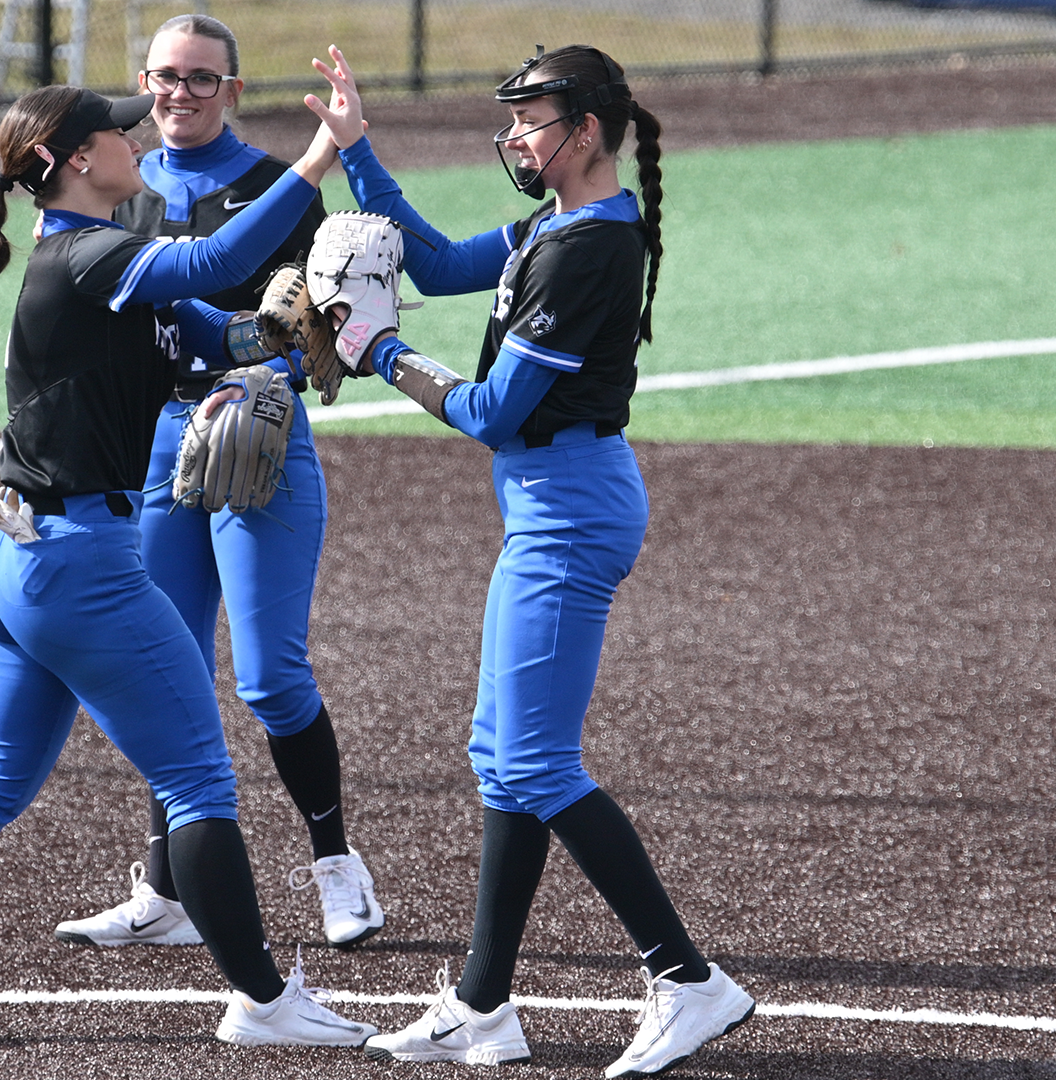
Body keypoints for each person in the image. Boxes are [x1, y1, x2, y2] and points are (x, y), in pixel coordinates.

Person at [0, 83, 376, 1050]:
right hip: (81, 567)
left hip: (8, 558)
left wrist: (276, 331)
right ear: (79, 162)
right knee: (199, 787)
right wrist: (317, 158)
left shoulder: (92, 266)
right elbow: (214, 257)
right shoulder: (92, 255)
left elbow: (204, 332)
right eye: (119, 133)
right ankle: (265, 1002)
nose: (139, 139)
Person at [302, 45, 755, 1075]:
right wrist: (358, 147)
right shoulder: (555, 226)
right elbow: (433, 262)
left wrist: (379, 352)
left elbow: (495, 414)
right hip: (548, 504)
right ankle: (482, 1005)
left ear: (584, 133)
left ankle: (687, 980)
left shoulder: (589, 250)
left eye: (531, 121)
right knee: (499, 754)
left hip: (571, 511)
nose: (513, 136)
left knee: (537, 763)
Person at [51, 13, 384, 954]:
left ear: (233, 91)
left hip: (260, 444)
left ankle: (335, 866)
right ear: (144, 83)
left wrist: (277, 364)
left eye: (202, 78)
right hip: (154, 450)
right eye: (166, 76)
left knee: (272, 677)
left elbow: (333, 337)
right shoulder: (117, 186)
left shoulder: (273, 188)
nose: (180, 93)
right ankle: (165, 890)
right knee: (169, 674)